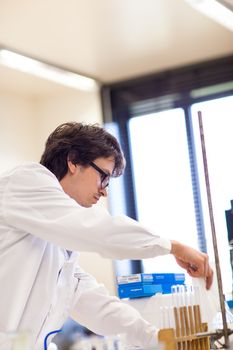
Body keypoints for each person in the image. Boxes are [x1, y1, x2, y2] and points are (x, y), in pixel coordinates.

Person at [0, 122, 213, 350]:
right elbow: (98, 231)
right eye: (103, 177)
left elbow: (93, 303)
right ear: (73, 161)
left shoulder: (57, 243)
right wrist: (171, 246)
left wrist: (160, 340)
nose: (104, 191)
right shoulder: (25, 182)